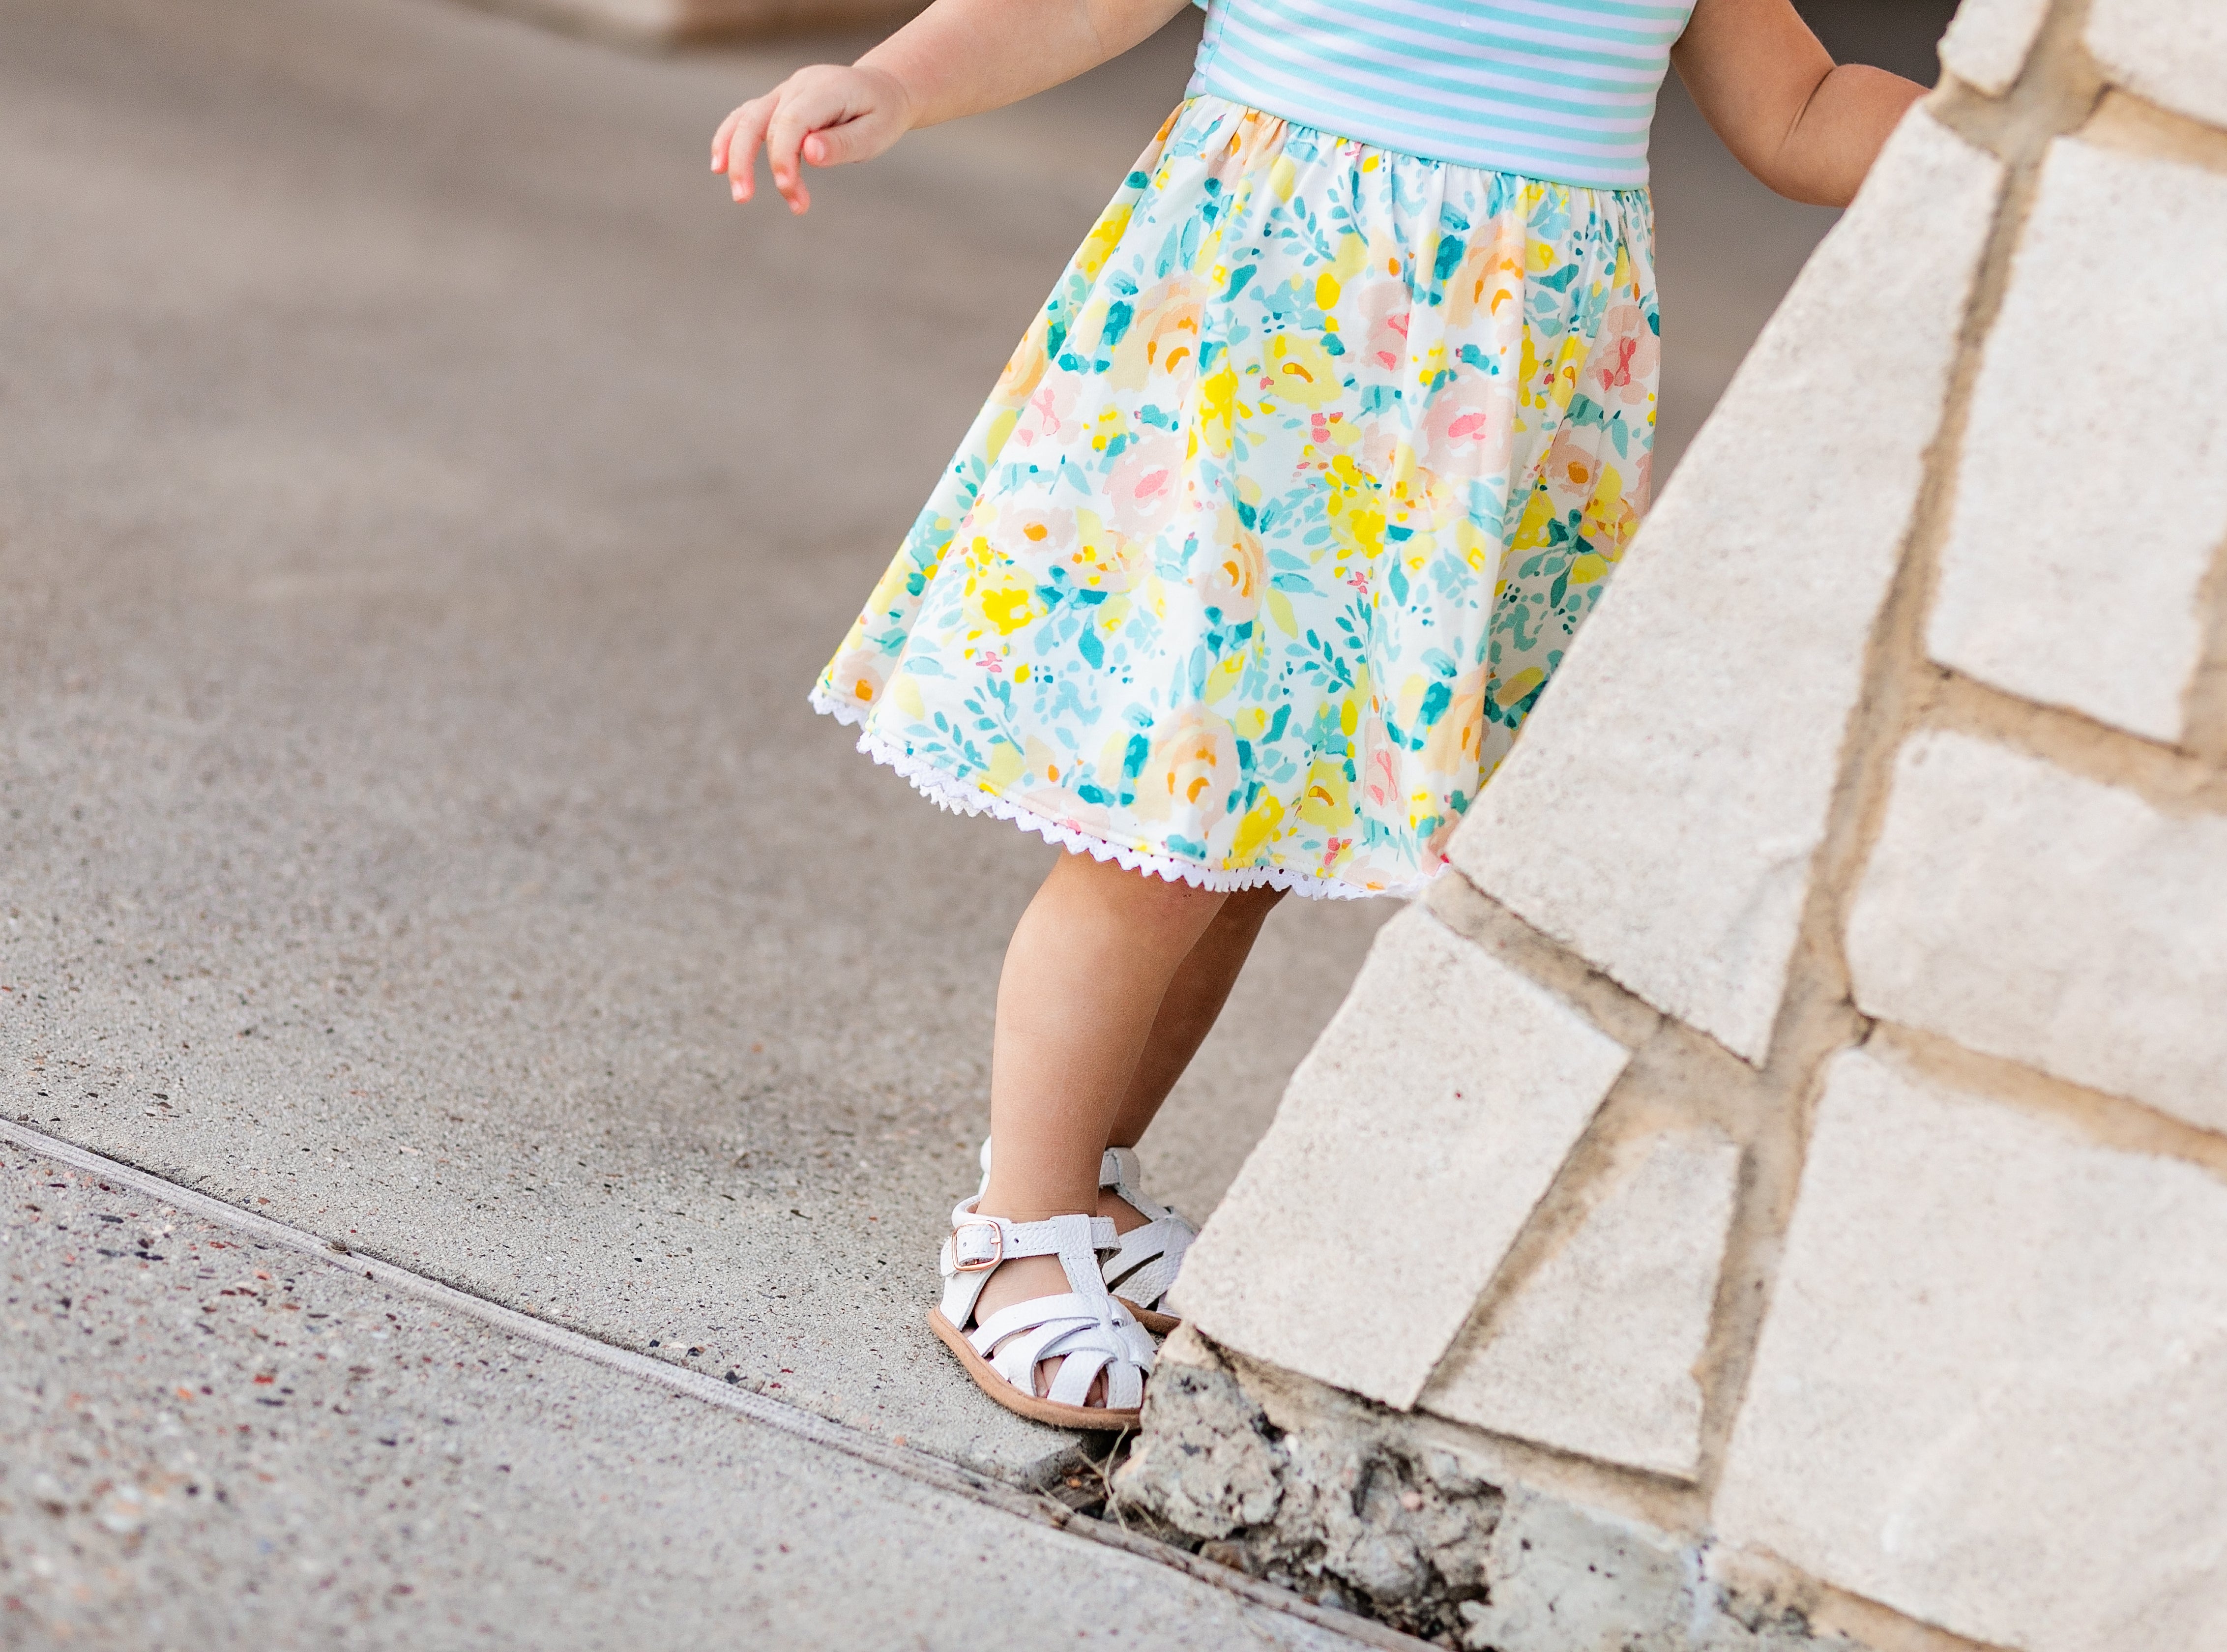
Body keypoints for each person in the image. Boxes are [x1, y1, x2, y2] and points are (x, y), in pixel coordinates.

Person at [713, 0, 1925, 1428]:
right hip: (1278, 362)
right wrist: (893, 81)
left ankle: (1089, 1194)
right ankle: (1011, 1232)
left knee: (1245, 864)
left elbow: (1797, 109)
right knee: (1160, 840)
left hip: (1481, 417)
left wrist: (2010, 142)